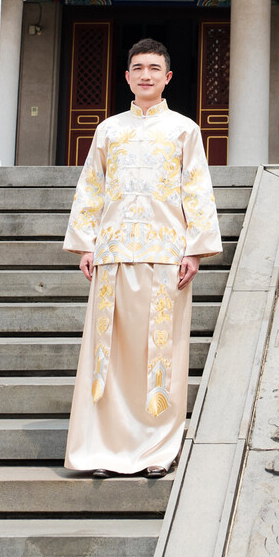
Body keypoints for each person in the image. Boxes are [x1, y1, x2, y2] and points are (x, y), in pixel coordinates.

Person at [62, 37, 220, 478]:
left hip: (167, 256)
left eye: (154, 68)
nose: (146, 75)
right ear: (127, 77)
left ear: (167, 77)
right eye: (138, 68)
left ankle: (156, 451)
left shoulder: (184, 129)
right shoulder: (108, 130)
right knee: (108, 355)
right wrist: (87, 243)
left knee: (160, 354)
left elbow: (197, 188)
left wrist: (195, 250)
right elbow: (92, 186)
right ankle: (102, 449)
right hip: (113, 253)